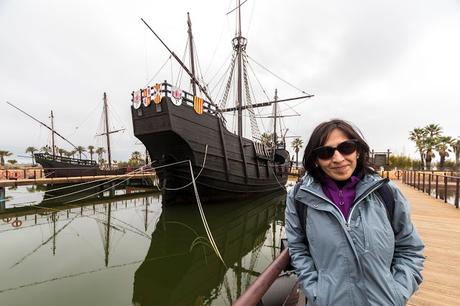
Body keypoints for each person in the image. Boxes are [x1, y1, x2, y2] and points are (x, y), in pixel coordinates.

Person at [285, 119, 424, 306]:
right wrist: (317, 294)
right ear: (316, 160)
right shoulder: (300, 198)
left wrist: (397, 293)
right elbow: (298, 249)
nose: (338, 158)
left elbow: (409, 248)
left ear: (358, 151)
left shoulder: (386, 193)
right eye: (326, 152)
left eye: (346, 148)